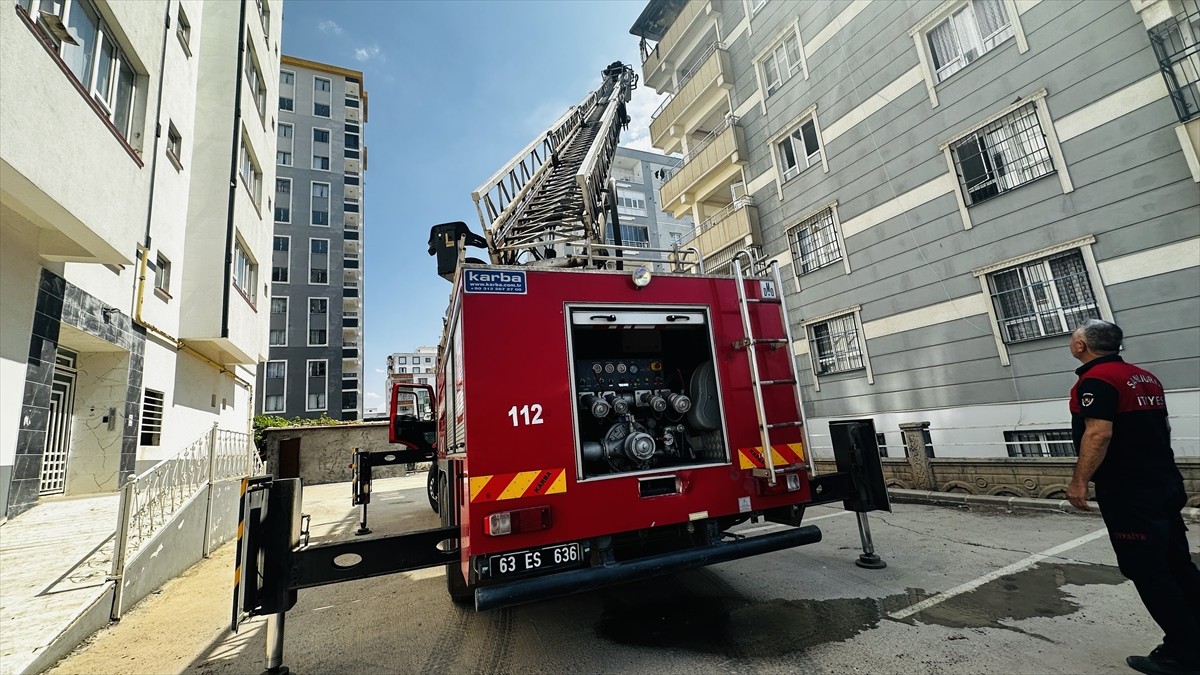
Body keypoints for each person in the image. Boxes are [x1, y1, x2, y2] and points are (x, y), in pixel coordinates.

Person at [1066, 319, 1200, 675]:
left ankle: (1184, 653)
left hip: (1131, 492)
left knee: (1148, 569)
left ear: (1082, 346)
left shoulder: (1095, 381)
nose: (1072, 343)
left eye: (1073, 338)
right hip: (1162, 482)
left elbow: (1098, 434)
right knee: (1177, 564)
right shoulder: (1144, 377)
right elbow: (1164, 427)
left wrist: (1080, 481)